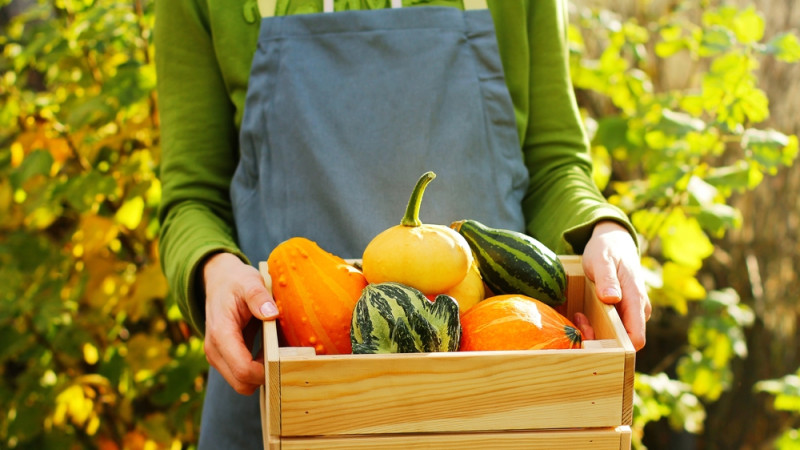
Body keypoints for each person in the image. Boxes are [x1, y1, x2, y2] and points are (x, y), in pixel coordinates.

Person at [155, 0, 652, 447]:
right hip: (290, 396)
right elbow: (191, 199)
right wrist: (213, 268)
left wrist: (602, 228)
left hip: (500, 399)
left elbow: (553, 165)